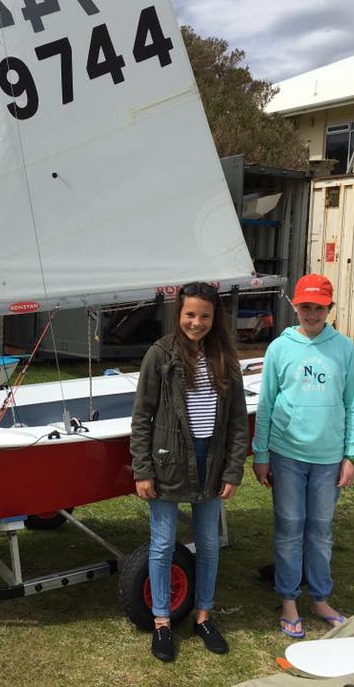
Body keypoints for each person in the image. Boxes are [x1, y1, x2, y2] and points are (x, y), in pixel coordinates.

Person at [130, 281, 249, 662]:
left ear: (216, 318)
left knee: (210, 544)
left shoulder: (226, 359)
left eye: (205, 316)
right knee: (162, 544)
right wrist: (143, 469)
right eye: (190, 315)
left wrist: (233, 471)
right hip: (167, 462)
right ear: (179, 314)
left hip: (210, 462)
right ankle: (162, 620)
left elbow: (235, 423)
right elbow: (142, 417)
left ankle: (203, 615)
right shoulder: (160, 355)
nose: (196, 323)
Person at [251, 273, 354, 639]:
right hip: (286, 455)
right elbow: (266, 404)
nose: (311, 313)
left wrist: (352, 454)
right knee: (288, 530)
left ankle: (319, 598)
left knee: (319, 532)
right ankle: (288, 599)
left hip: (329, 458)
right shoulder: (280, 348)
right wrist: (260, 453)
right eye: (305, 306)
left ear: (329, 309)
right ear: (294, 306)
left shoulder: (344, 347)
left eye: (318, 307)